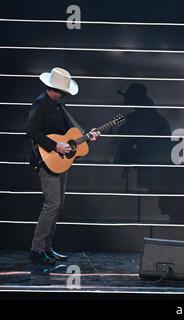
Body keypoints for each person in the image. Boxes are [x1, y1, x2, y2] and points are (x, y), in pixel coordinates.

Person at [26, 67, 100, 264]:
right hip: (47, 160)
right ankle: (37, 249)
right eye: (60, 91)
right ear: (51, 87)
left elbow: (72, 136)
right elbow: (31, 130)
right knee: (52, 204)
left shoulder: (59, 106)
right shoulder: (41, 104)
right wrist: (54, 145)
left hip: (61, 163)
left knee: (58, 206)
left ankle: (47, 248)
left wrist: (88, 137)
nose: (62, 94)